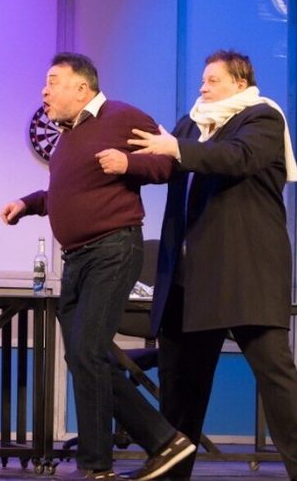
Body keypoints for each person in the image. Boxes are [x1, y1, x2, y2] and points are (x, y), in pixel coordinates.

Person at [0, 53, 194, 481]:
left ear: (82, 88)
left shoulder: (121, 116)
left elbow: (169, 162)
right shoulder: (68, 138)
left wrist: (129, 163)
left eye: (53, 81)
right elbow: (66, 194)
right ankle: (161, 443)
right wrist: (27, 204)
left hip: (113, 249)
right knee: (85, 357)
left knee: (88, 352)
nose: (44, 91)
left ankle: (101, 465)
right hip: (77, 260)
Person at [127, 50, 297, 480]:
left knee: (276, 379)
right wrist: (125, 160)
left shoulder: (262, 118)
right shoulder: (191, 125)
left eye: (213, 80)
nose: (202, 87)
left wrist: (176, 148)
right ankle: (172, 475)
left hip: (245, 275)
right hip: (190, 280)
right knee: (180, 390)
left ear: (240, 83)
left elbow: (236, 158)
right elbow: (163, 162)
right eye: (202, 80)